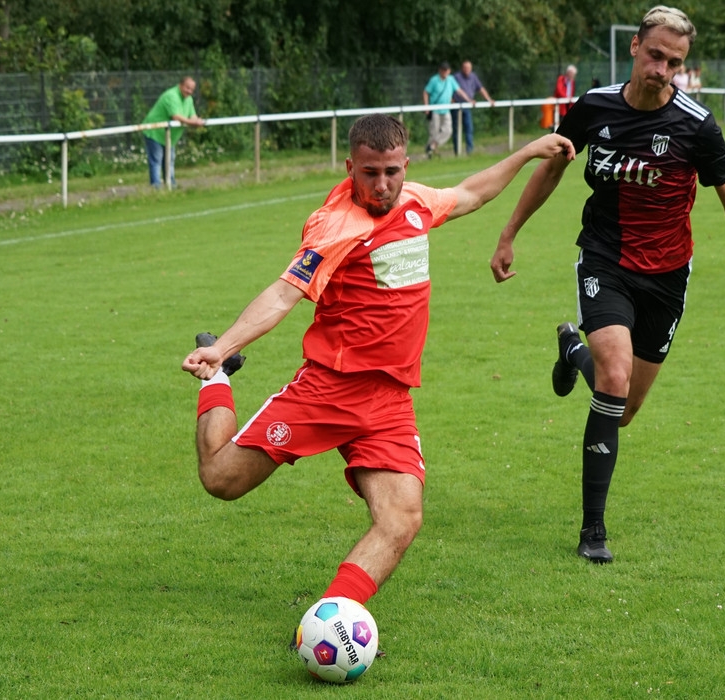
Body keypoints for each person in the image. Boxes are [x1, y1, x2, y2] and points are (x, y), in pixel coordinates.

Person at [182, 115, 575, 610]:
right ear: (351, 168)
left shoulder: (416, 202)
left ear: (406, 165)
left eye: (392, 171)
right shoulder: (335, 225)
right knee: (221, 479)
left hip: (389, 401)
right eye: (369, 173)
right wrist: (222, 348)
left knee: (401, 518)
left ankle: (332, 620)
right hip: (328, 389)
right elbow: (284, 294)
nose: (382, 185)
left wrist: (527, 151)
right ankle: (217, 379)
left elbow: (471, 194)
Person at [490, 5, 725, 564]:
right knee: (615, 376)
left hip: (667, 276)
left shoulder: (696, 125)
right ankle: (592, 531)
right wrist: (509, 233)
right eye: (656, 56)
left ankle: (573, 351)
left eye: (675, 62)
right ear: (635, 47)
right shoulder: (594, 107)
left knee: (621, 408)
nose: (662, 70)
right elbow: (551, 167)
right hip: (606, 260)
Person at [142, 76, 205, 188]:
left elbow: (192, 115)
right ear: (180, 85)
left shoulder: (189, 99)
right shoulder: (171, 95)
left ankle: (170, 184)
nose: (189, 91)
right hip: (155, 132)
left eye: (192, 89)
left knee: (169, 160)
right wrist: (193, 123)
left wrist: (197, 121)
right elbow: (176, 117)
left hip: (169, 136)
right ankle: (156, 187)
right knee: (157, 160)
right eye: (187, 88)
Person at [423, 61, 474, 158]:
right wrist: (426, 106)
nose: (445, 72)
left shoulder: (451, 80)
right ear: (440, 70)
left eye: (446, 70)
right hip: (435, 110)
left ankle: (431, 146)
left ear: (449, 71)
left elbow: (459, 91)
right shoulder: (434, 80)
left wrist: (469, 100)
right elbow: (426, 92)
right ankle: (430, 154)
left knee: (448, 131)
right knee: (434, 132)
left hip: (446, 110)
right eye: (443, 70)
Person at [452, 60, 495, 156]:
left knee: (469, 128)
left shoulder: (473, 77)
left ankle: (470, 151)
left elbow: (480, 88)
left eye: (469, 68)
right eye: (465, 68)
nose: (467, 70)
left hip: (467, 106)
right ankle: (457, 152)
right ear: (462, 68)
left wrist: (489, 99)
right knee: (456, 130)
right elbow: (453, 89)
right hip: (457, 106)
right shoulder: (456, 77)